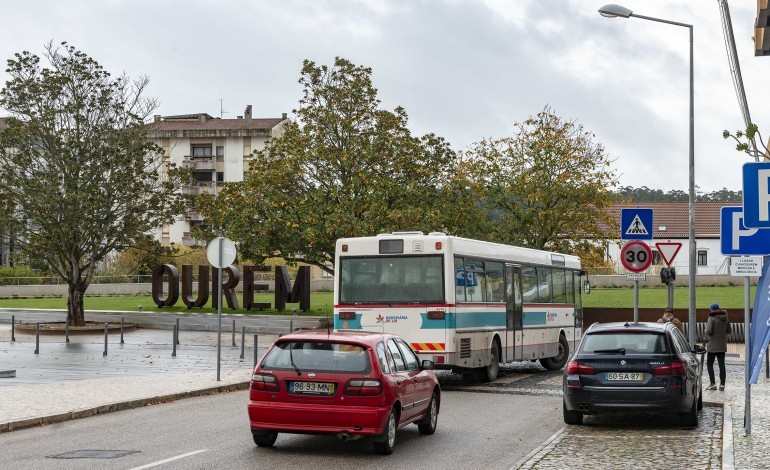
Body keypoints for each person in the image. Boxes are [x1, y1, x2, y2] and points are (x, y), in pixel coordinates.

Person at [705, 303, 731, 391]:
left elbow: (709, 330)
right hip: (722, 345)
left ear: (711, 310)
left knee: (709, 364)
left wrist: (705, 331)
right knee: (722, 365)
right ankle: (722, 385)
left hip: (712, 345)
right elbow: (729, 330)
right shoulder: (726, 318)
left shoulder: (711, 318)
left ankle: (713, 384)